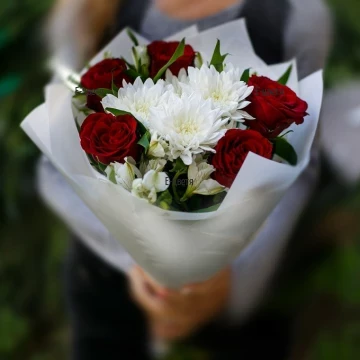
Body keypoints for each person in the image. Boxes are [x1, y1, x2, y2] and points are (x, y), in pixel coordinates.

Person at [39, 0, 332, 358]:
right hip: (111, 290)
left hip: (239, 308)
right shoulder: (87, 8)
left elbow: (303, 164)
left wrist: (231, 282)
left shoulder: (295, 13)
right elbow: (53, 164)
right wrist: (139, 261)